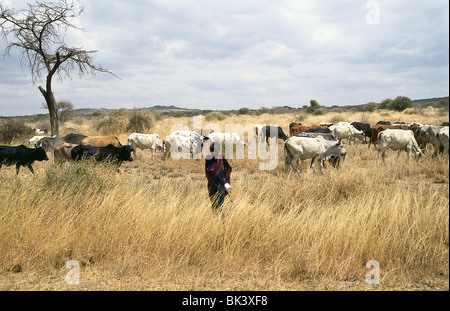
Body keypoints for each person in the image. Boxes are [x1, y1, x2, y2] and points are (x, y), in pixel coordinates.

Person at [205, 145, 232, 211]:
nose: (215, 152)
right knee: (213, 203)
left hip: (220, 184)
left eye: (216, 150)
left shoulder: (222, 158)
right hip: (212, 184)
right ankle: (216, 218)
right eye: (213, 151)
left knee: (220, 203)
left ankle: (220, 218)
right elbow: (208, 172)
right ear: (211, 151)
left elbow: (228, 168)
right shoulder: (208, 159)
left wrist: (224, 179)